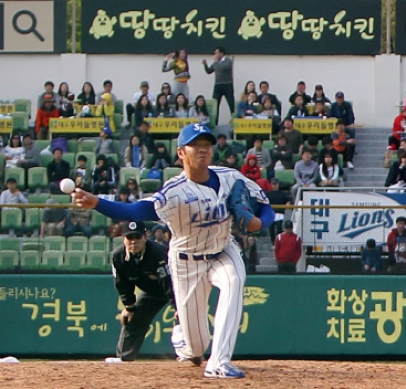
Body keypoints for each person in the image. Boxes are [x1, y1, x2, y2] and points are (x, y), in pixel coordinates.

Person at [73, 123, 274, 378]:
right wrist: (97, 203)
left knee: (234, 281)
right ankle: (185, 341)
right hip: (186, 262)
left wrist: (260, 222)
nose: (203, 150)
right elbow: (136, 211)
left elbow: (265, 206)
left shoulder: (230, 176)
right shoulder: (174, 192)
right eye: (196, 145)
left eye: (207, 145)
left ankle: (219, 362)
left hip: (223, 250)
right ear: (181, 153)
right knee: (196, 346)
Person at [103, 221, 173, 363]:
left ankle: (191, 355)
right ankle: (124, 358)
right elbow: (122, 284)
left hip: (177, 289)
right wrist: (129, 307)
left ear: (145, 237)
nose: (133, 241)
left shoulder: (158, 252)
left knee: (186, 319)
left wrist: (178, 307)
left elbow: (169, 282)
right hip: (151, 292)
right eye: (130, 238)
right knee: (132, 318)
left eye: (137, 237)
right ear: (123, 239)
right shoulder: (118, 256)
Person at [203, 46, 235, 122]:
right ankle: (215, 122)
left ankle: (234, 120)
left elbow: (224, 68)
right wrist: (205, 65)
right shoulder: (216, 63)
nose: (215, 54)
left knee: (231, 104)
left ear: (222, 53)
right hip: (218, 85)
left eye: (217, 53)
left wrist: (216, 62)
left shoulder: (228, 61)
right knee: (215, 105)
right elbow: (209, 71)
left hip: (227, 85)